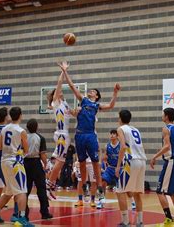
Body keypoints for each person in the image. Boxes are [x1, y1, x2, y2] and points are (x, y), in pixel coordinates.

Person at [58, 61, 121, 208]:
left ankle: (99, 193)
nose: (90, 91)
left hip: (91, 136)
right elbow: (72, 86)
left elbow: (111, 106)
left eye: (93, 91)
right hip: (79, 135)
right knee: (81, 163)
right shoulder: (83, 100)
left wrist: (115, 92)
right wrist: (65, 71)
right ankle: (83, 191)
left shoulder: (96, 105)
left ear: (97, 95)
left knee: (95, 164)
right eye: (90, 90)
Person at [0, 107, 33, 226]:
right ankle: (22, 218)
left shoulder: (4, 129)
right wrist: (20, 152)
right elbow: (27, 150)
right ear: (20, 115)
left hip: (4, 162)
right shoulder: (21, 131)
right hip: (16, 163)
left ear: (11, 116)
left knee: (8, 191)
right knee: (22, 191)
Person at [150, 108, 174, 226]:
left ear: (166, 116)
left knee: (160, 191)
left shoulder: (166, 129)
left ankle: (169, 218)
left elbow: (166, 146)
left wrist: (154, 156)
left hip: (172, 161)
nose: (162, 115)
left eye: (163, 114)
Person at [45, 70, 76, 199]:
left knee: (61, 162)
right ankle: (47, 186)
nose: (61, 92)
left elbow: (73, 113)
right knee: (59, 162)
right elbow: (59, 84)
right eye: (59, 92)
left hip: (65, 135)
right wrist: (63, 71)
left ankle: (49, 185)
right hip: (61, 134)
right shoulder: (56, 103)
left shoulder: (65, 104)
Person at [115, 109, 147, 227]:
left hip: (130, 161)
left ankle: (125, 221)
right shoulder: (135, 129)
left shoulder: (121, 129)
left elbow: (123, 147)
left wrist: (118, 166)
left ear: (120, 118)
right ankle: (140, 222)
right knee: (137, 193)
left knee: (120, 191)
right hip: (142, 161)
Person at [24, 118, 53, 219]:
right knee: (41, 189)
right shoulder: (40, 138)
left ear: (27, 127)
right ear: (37, 127)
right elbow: (43, 154)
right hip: (36, 164)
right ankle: (44, 212)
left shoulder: (23, 137)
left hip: (25, 164)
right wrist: (46, 165)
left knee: (25, 190)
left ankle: (24, 214)